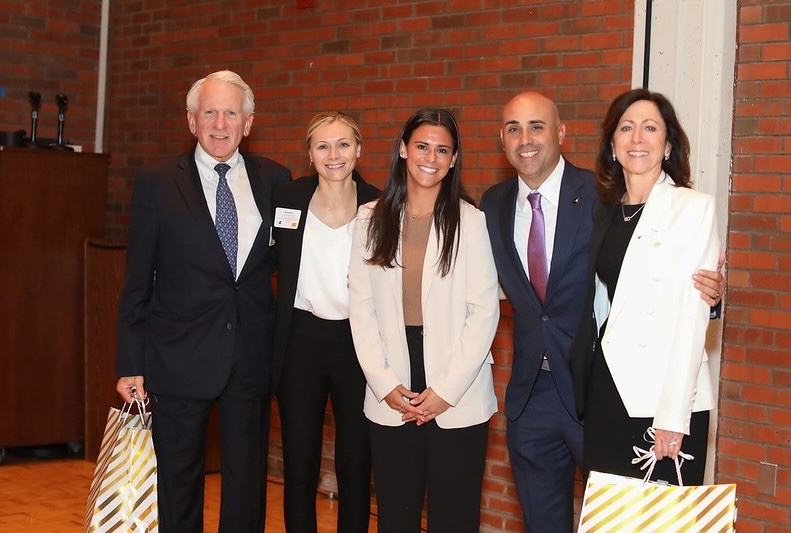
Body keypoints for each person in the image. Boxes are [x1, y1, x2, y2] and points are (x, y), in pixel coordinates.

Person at [480, 91, 724, 532]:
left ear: (561, 133)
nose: (526, 139)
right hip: (556, 391)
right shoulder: (501, 205)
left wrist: (714, 295)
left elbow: (679, 297)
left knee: (652, 522)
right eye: (514, 128)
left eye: (650, 128)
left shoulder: (603, 196)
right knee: (592, 522)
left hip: (613, 394)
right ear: (613, 144)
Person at [115, 70, 292, 532]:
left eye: (230, 112)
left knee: (246, 486)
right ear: (191, 121)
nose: (219, 123)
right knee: (179, 483)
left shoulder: (276, 180)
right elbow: (137, 282)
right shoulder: (156, 183)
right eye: (208, 112)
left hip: (250, 357)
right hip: (177, 356)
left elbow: (288, 266)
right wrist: (130, 363)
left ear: (248, 122)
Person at [348, 108, 500, 533]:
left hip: (457, 390)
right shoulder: (369, 219)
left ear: (453, 160)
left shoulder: (471, 222)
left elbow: (485, 312)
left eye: (442, 150)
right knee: (396, 515)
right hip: (391, 385)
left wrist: (446, 392)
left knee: (454, 517)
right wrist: (384, 382)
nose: (430, 157)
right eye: (421, 146)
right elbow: (361, 308)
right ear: (403, 150)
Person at [570, 88, 719, 485]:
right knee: (608, 519)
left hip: (665, 399)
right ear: (613, 146)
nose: (637, 138)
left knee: (664, 523)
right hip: (607, 390)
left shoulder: (693, 208)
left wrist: (672, 417)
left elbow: (692, 318)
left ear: (667, 145)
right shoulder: (603, 211)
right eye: (626, 128)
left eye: (650, 128)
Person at [272, 111, 378, 532]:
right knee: (300, 466)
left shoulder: (380, 205)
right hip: (300, 341)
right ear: (310, 155)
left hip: (359, 346)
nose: (334, 154)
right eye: (323, 146)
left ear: (359, 150)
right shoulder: (286, 198)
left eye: (343, 144)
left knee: (356, 466)